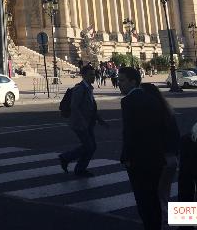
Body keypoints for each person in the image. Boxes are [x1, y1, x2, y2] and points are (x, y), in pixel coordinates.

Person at [118, 67, 168, 230]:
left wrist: (126, 156)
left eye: (122, 80)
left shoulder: (127, 101)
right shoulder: (153, 99)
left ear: (133, 82)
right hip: (156, 156)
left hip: (138, 159)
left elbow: (130, 132)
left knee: (142, 198)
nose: (119, 84)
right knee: (154, 195)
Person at [139, 82, 180, 230]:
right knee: (164, 191)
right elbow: (176, 136)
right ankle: (168, 219)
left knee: (156, 194)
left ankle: (165, 221)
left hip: (159, 158)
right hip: (171, 158)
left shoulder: (149, 114)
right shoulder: (167, 111)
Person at [59, 64, 108, 177]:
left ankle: (75, 165)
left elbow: (91, 107)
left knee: (91, 146)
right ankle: (68, 160)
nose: (94, 77)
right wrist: (82, 122)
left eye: (94, 74)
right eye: (91, 75)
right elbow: (74, 107)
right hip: (80, 124)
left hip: (88, 123)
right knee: (89, 146)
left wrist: (100, 120)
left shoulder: (88, 88)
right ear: (84, 75)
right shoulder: (80, 88)